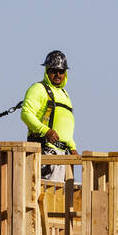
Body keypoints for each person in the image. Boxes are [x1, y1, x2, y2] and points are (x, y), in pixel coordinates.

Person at [22, 50, 77, 181]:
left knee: (60, 199)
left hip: (63, 156)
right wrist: (46, 131)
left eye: (61, 71)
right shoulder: (39, 89)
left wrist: (72, 147)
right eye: (54, 70)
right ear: (47, 70)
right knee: (45, 197)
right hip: (46, 153)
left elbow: (66, 127)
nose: (58, 74)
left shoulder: (65, 94)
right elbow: (26, 114)